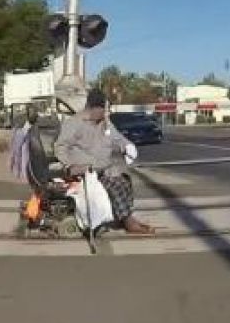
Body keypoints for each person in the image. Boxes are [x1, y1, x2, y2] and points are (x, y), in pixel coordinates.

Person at [54, 89, 155, 234]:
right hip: (86, 170)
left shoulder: (104, 123)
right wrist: (70, 165)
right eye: (105, 110)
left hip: (104, 168)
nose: (107, 113)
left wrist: (127, 146)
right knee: (117, 184)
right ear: (95, 108)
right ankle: (128, 221)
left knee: (125, 178)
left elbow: (116, 137)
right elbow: (60, 147)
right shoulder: (74, 124)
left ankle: (125, 216)